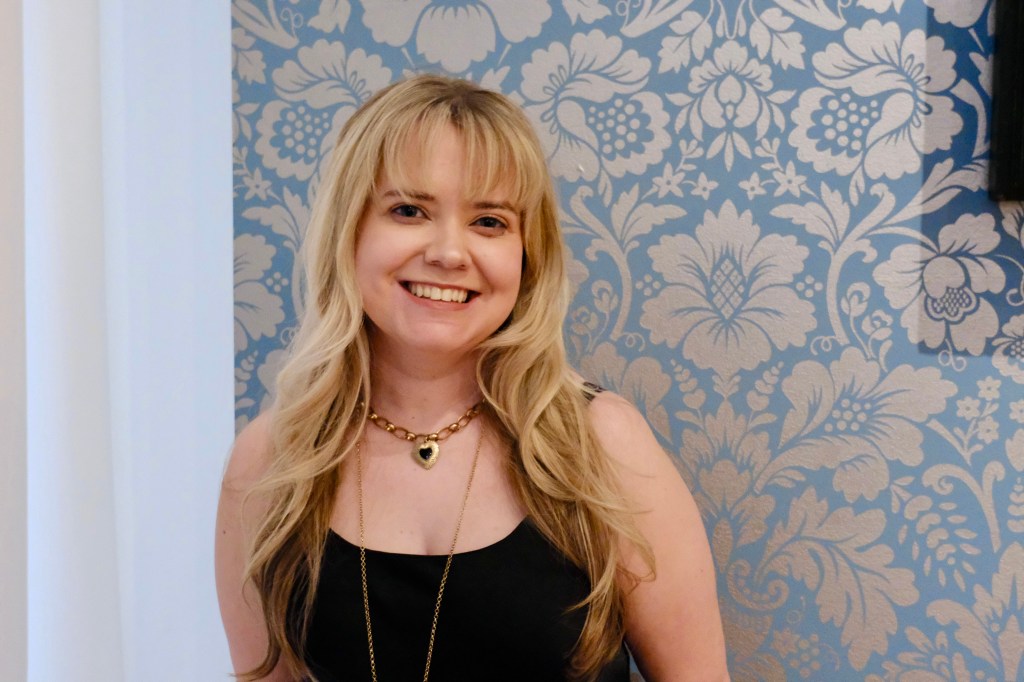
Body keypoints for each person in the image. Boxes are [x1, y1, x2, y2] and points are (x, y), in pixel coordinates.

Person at [216, 74, 729, 682]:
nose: (449, 253)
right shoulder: (270, 461)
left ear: (527, 255)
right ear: (347, 233)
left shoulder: (602, 444)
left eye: (489, 221)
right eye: (409, 211)